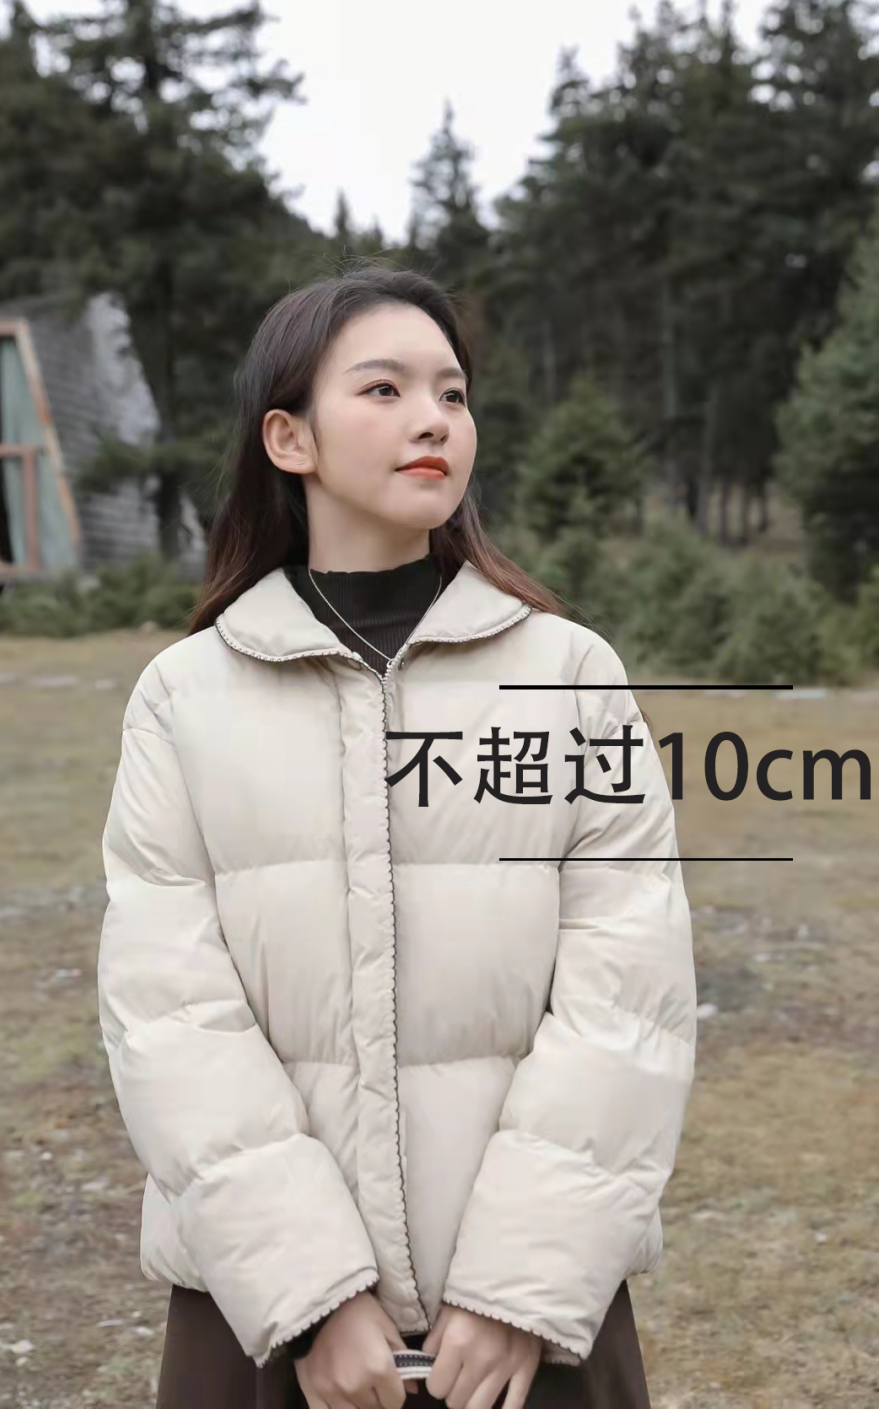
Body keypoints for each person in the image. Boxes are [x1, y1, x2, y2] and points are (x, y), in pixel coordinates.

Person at [97, 265, 697, 1409]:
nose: (434, 419)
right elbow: (167, 1012)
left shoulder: (571, 675)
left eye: (453, 394)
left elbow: (631, 997)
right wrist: (309, 1293)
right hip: (266, 1322)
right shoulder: (184, 696)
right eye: (384, 389)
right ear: (289, 438)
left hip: (533, 1326)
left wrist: (519, 1287)